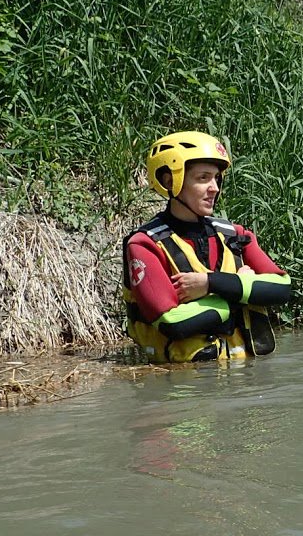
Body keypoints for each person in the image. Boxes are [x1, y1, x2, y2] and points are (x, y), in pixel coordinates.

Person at [122, 130, 292, 362]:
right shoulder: (144, 245)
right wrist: (241, 289)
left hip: (247, 382)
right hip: (187, 388)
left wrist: (211, 283)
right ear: (170, 181)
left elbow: (282, 288)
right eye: (203, 178)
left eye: (216, 178)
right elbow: (174, 323)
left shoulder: (236, 234)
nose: (214, 188)